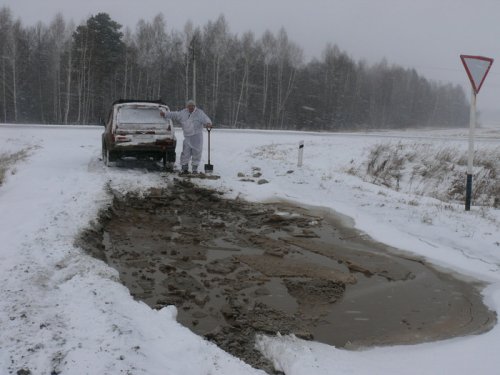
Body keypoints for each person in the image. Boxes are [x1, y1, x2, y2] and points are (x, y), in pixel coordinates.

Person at [161, 100, 212, 174]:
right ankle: (184, 168)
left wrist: (208, 123)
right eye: (189, 106)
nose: (191, 107)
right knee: (185, 152)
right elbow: (174, 114)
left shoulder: (199, 113)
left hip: (197, 136)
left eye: (192, 106)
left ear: (194, 106)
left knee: (197, 152)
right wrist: (165, 114)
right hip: (187, 137)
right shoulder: (183, 113)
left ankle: (195, 168)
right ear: (187, 106)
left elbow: (206, 119)